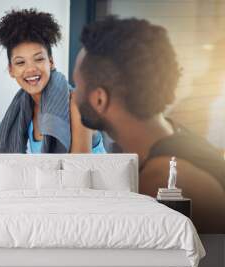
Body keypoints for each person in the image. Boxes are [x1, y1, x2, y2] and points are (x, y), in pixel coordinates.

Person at [73, 17, 225, 233]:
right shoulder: (179, 137)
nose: (73, 95)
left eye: (77, 86)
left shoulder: (160, 182)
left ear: (99, 99)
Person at [0, 8, 105, 153]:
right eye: (20, 63)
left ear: (50, 62)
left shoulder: (78, 103)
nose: (31, 69)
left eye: (39, 59)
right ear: (11, 70)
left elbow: (78, 169)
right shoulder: (23, 108)